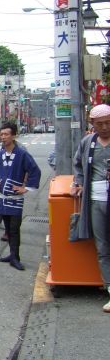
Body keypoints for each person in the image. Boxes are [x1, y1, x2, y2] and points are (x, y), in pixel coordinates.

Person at [0, 122, 40, 271]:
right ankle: (12, 254)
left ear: (14, 136)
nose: (3, 137)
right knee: (8, 228)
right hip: (2, 198)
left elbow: (34, 170)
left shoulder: (22, 154)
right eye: (1, 134)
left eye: (6, 134)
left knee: (14, 228)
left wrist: (25, 188)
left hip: (15, 199)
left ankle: (15, 257)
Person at [71, 104, 110, 312]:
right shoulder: (88, 142)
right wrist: (78, 182)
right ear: (92, 123)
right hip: (95, 198)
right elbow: (78, 163)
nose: (104, 127)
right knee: (102, 247)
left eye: (108, 123)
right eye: (99, 124)